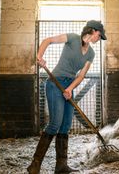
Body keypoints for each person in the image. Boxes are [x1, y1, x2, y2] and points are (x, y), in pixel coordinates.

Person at [27, 20, 107, 174]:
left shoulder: (91, 53)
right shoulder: (72, 38)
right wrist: (39, 57)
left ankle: (61, 166)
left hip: (69, 86)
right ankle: (35, 165)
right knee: (55, 123)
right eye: (99, 35)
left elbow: (81, 75)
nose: (99, 38)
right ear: (92, 31)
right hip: (54, 83)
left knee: (65, 126)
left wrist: (69, 89)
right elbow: (47, 40)